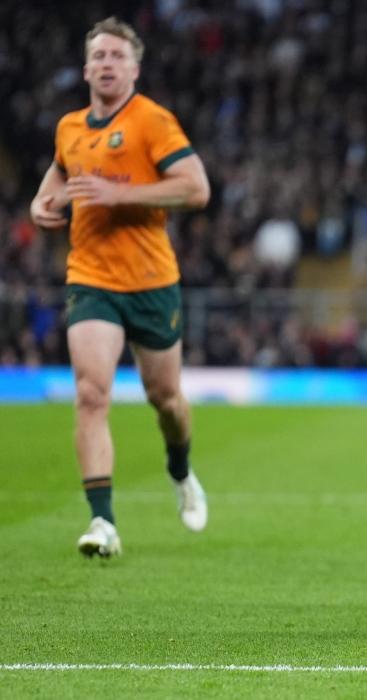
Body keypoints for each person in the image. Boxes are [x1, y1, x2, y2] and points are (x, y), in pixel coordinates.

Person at [29, 17, 211, 557]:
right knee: (91, 394)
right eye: (99, 56)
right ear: (86, 69)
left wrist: (119, 195)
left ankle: (180, 469)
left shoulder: (151, 121)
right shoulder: (70, 127)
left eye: (117, 56)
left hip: (152, 282)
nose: (107, 63)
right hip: (91, 279)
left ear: (134, 69)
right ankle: (102, 522)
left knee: (166, 399)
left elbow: (196, 188)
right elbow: (61, 170)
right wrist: (42, 201)